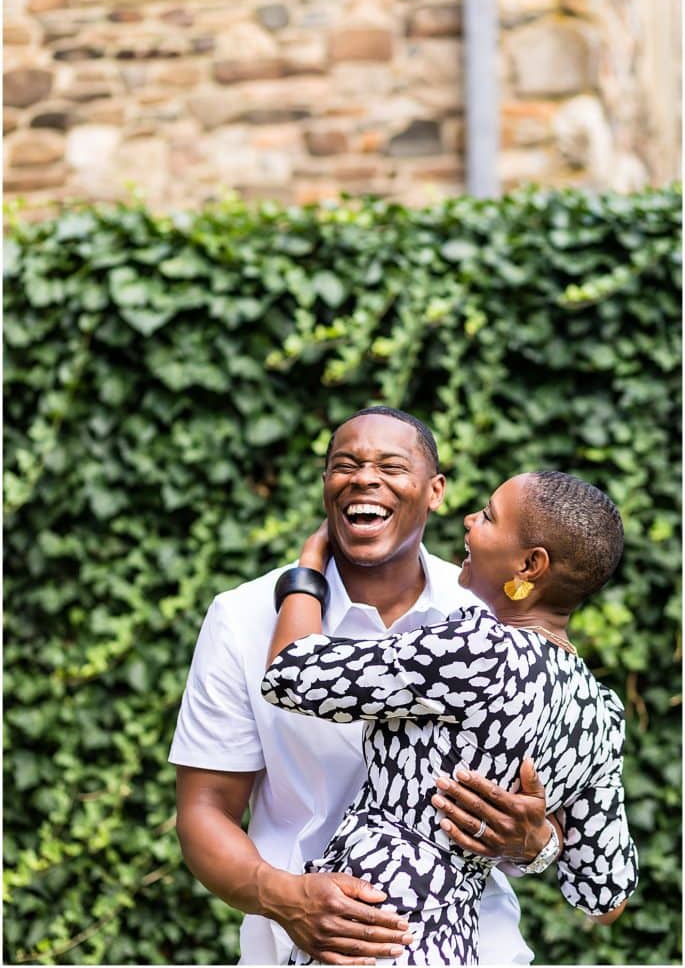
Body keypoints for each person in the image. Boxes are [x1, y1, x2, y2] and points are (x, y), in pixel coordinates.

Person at [170, 407, 610, 965]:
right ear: (327, 484)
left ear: (435, 491)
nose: (364, 477)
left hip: (476, 946)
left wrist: (536, 844)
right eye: (344, 464)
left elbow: (574, 843)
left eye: (391, 465)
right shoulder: (244, 616)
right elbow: (203, 809)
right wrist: (286, 899)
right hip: (302, 948)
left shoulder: (491, 607)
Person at [261, 458, 638, 965]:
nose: (467, 521)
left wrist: (307, 567)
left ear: (530, 567)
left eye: (488, 516)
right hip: (451, 943)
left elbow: (291, 674)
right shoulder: (598, 713)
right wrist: (541, 845)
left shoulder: (478, 649)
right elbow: (605, 896)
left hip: (369, 926)